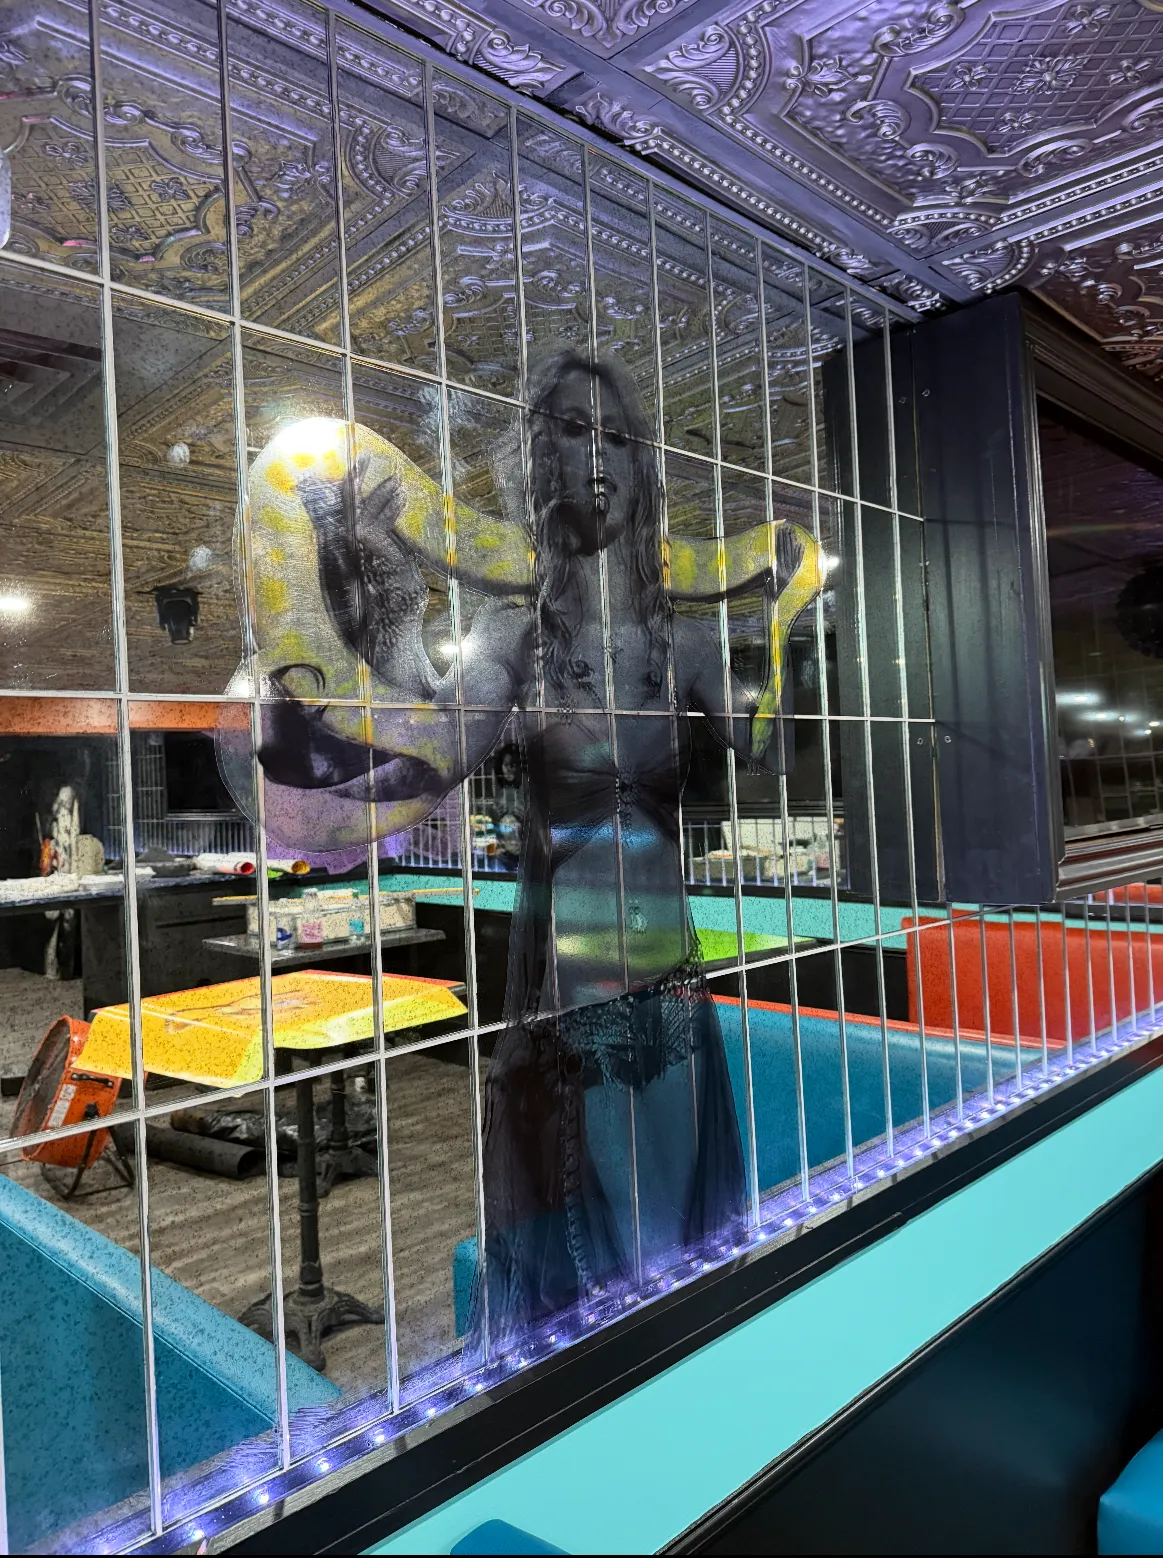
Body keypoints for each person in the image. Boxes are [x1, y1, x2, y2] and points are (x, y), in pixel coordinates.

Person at [230, 349, 809, 1353]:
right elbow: (417, 764)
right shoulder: (510, 637)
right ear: (533, 466)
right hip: (560, 1005)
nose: (595, 458)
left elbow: (775, 745)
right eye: (569, 434)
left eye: (616, 437)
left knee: (683, 1260)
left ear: (644, 469)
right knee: (590, 1287)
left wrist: (794, 617)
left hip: (669, 994)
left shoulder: (688, 645)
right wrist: (378, 615)